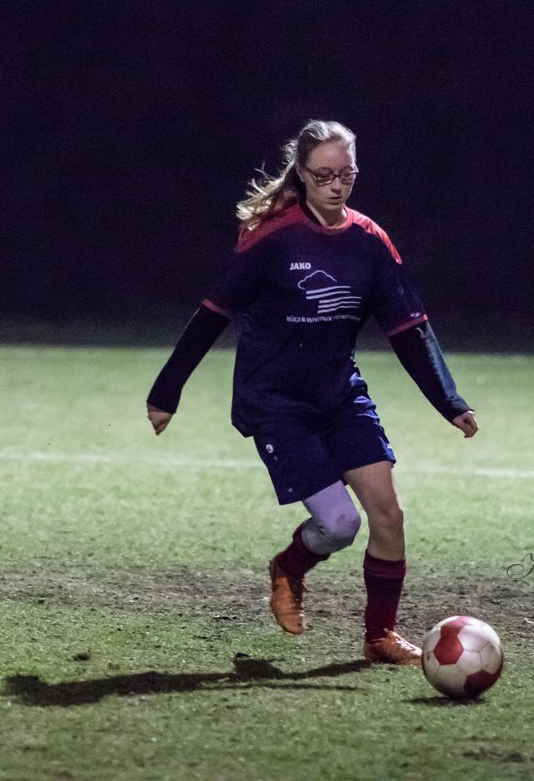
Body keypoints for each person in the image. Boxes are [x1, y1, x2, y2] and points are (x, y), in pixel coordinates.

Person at [146, 120, 477, 665]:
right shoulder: (273, 238)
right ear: (301, 174)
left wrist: (450, 401)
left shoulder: (369, 242)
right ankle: (289, 568)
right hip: (276, 403)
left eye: (346, 173)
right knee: (340, 524)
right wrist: (167, 390)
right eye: (323, 174)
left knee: (388, 516)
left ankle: (380, 636)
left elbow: (408, 329)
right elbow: (213, 314)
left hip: (340, 397)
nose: (336, 184)